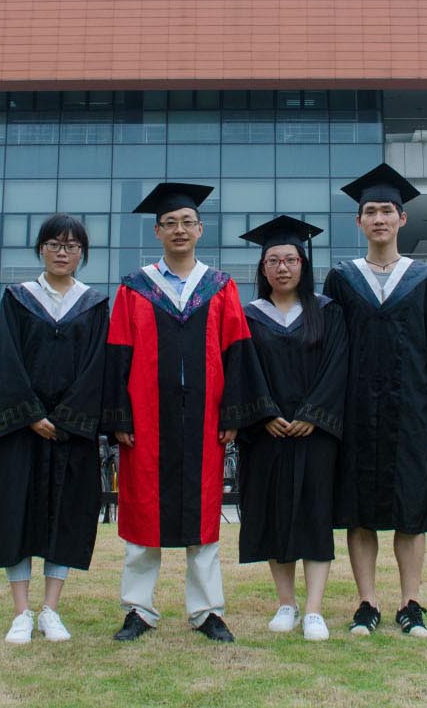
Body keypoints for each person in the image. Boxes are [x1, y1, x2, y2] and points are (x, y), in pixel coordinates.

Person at [103, 182, 277, 643]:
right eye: (170, 223)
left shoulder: (219, 287)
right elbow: (118, 353)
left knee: (204, 517)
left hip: (204, 420)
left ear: (200, 229)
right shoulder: (134, 288)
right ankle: (138, 609)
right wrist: (119, 417)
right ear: (157, 232)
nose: (179, 230)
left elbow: (237, 352)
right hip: (146, 420)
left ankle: (206, 611)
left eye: (187, 222)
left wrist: (233, 414)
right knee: (143, 514)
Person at [323, 164, 427, 639]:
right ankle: (367, 602)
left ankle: (410, 602)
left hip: (410, 411)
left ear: (402, 219)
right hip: (354, 412)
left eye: (387, 211)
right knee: (359, 510)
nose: (379, 219)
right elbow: (329, 349)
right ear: (358, 221)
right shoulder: (341, 279)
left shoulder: (425, 280)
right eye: (370, 211)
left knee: (411, 509)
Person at [0, 214, 108, 645]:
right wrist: (31, 415)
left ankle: (51, 608)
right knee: (15, 513)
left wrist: (66, 419)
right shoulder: (17, 299)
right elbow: (4, 360)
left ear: (82, 254)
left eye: (71, 246)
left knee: (64, 516)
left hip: (69, 434)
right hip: (21, 431)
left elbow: (97, 368)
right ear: (40, 250)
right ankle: (21, 612)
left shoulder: (93, 304)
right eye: (54, 244)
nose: (62, 252)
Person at [236, 215, 348, 642]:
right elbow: (241, 369)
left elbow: (338, 366)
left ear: (304, 264)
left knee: (314, 515)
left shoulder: (328, 312)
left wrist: (312, 414)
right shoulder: (248, 316)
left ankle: (314, 609)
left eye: (290, 259)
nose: (282, 267)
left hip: (314, 435)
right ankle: (286, 603)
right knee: (273, 513)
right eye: (273, 261)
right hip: (266, 434)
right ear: (263, 269)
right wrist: (263, 413)